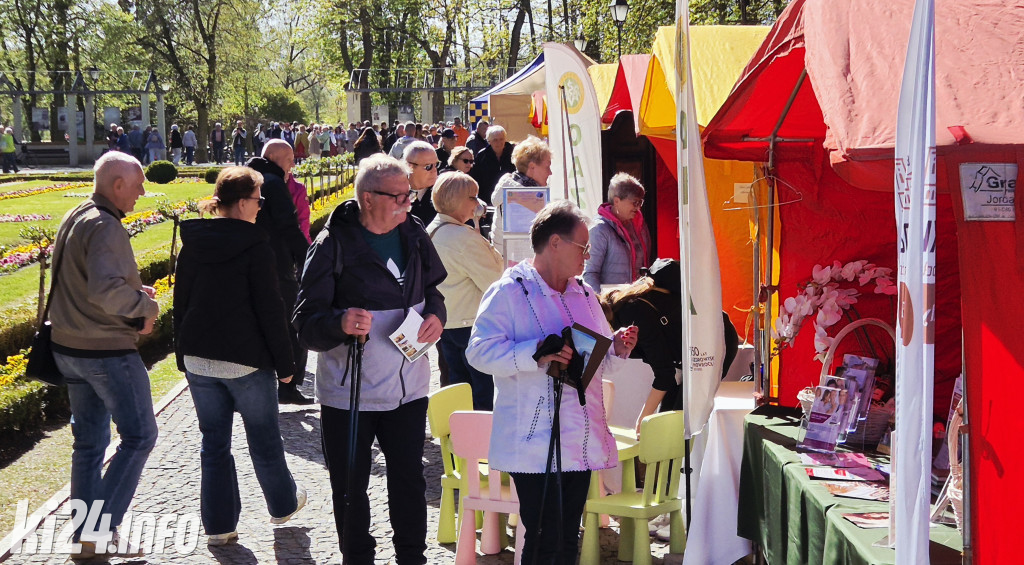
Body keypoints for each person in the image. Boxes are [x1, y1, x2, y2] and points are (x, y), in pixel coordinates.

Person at [293, 154, 447, 565]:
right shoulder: (331, 245)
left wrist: (436, 316)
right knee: (349, 487)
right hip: (350, 394)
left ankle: (412, 557)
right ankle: (357, 558)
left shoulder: (414, 232)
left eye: (409, 194)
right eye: (398, 195)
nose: (408, 202)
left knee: (409, 481)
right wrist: (340, 321)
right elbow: (305, 324)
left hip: (409, 388)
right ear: (367, 198)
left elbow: (434, 291)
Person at [466, 199, 637, 565]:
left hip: (578, 439)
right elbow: (478, 353)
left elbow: (600, 367)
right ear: (555, 243)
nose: (588, 256)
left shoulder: (586, 295)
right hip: (533, 441)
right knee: (543, 537)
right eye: (583, 247)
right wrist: (535, 354)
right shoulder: (509, 291)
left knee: (565, 539)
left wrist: (618, 349)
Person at [173, 167, 307, 546]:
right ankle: (282, 504)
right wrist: (287, 366)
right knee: (263, 438)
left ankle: (218, 526)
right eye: (259, 200)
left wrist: (181, 353)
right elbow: (270, 309)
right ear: (243, 202)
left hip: (199, 357)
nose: (261, 208)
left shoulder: (194, 240)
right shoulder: (255, 245)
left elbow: (180, 303)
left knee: (213, 444)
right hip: (246, 360)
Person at [50, 152, 159, 560]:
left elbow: (87, 285)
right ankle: (95, 532)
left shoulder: (78, 213)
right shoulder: (105, 225)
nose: (142, 192)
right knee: (140, 436)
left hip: (70, 348)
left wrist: (134, 292)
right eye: (137, 184)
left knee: (89, 444)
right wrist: (147, 307)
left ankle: (86, 533)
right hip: (105, 351)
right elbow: (105, 291)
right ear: (117, 185)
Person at [601, 259, 738, 434]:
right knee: (664, 423)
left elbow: (664, 374)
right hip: (692, 348)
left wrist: (642, 421)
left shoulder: (631, 313)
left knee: (679, 421)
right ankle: (667, 455)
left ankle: (678, 457)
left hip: (716, 340)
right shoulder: (620, 303)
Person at [427, 172, 502, 409]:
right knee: (482, 395)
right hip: (471, 324)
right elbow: (495, 280)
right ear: (460, 201)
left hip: (447, 322)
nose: (478, 203)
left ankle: (462, 442)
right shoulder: (462, 237)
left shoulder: (434, 229)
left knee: (460, 391)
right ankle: (481, 443)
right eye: (473, 197)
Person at [247, 140, 312, 405]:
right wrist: (310, 260)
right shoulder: (272, 183)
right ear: (273, 158)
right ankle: (289, 385)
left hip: (252, 264)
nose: (293, 165)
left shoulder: (249, 179)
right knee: (294, 324)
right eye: (289, 159)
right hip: (278, 265)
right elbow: (289, 226)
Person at [582, 172, 652, 290]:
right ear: (616, 201)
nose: (638, 207)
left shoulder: (640, 226)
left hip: (635, 300)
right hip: (612, 304)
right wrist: (601, 303)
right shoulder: (599, 229)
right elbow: (589, 274)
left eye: (640, 202)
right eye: (634, 202)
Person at [490, 135, 552, 250]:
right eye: (547, 167)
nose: (550, 172)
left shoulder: (512, 185)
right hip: (514, 260)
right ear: (532, 167)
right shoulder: (522, 195)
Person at [469, 124, 514, 205]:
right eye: (495, 140)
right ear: (489, 141)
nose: (499, 143)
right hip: (488, 200)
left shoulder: (514, 154)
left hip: (511, 199)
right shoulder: (482, 156)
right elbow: (476, 178)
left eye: (501, 139)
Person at [403, 141, 439, 226]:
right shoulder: (395, 194)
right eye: (428, 166)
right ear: (410, 166)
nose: (434, 170)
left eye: (436, 165)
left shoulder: (443, 193)